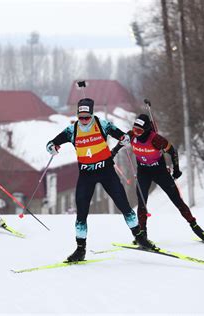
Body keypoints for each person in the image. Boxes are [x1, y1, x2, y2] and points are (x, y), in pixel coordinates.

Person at [46, 98, 156, 262]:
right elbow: (51, 143)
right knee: (81, 214)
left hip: (107, 172)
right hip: (86, 176)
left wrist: (125, 139)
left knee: (124, 206)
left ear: (91, 115)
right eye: (80, 117)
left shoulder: (102, 124)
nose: (83, 120)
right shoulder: (72, 130)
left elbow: (121, 135)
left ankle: (140, 238)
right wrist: (52, 147)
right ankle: (80, 249)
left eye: (86, 117)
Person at [112, 114, 204, 242]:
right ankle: (142, 234)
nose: (136, 133)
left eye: (139, 130)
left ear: (146, 129)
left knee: (177, 200)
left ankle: (195, 226)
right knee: (142, 203)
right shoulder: (131, 135)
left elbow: (173, 152)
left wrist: (176, 169)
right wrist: (113, 153)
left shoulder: (156, 139)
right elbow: (121, 142)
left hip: (160, 171)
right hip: (143, 172)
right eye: (134, 129)